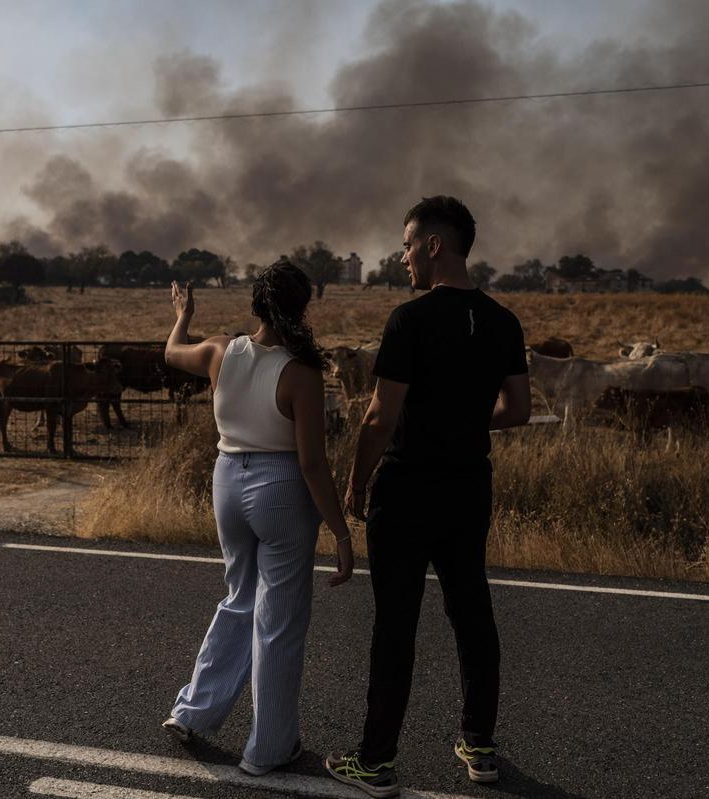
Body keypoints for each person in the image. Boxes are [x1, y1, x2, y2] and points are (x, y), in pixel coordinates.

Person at [325, 196, 531, 797]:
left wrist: (356, 484)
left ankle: (376, 761)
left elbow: (377, 418)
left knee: (396, 624)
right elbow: (517, 411)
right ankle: (481, 747)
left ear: (435, 245)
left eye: (409, 243)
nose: (404, 255)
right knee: (472, 612)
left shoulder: (408, 321)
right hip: (469, 486)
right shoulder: (503, 322)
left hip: (407, 487)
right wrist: (465, 422)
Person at [162, 261, 355, 776]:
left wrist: (183, 315)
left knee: (238, 597)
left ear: (256, 303)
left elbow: (170, 351)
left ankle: (193, 712)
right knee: (280, 622)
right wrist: (340, 531)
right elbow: (313, 465)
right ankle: (268, 749)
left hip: (227, 476)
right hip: (279, 485)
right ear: (302, 307)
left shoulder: (221, 351)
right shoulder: (301, 373)